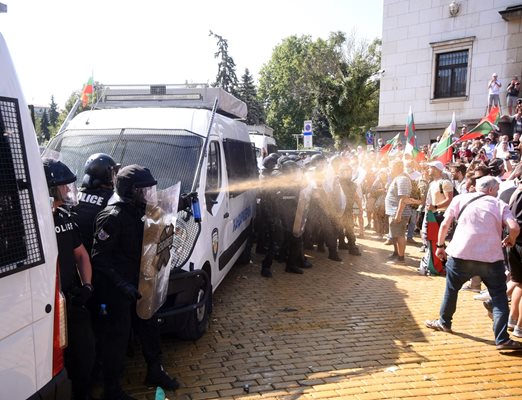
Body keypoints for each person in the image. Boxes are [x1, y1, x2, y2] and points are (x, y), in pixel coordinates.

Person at [91, 165, 179, 400]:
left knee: (149, 329)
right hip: (118, 289)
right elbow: (99, 258)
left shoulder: (144, 211)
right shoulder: (113, 216)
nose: (149, 195)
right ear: (129, 190)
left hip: (141, 283)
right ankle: (112, 390)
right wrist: (121, 285)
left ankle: (154, 371)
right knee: (117, 338)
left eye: (151, 190)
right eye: (144, 191)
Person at [425, 176, 522, 351]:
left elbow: (445, 224)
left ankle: (444, 322)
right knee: (499, 298)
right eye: (497, 189)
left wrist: (440, 246)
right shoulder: (499, 204)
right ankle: (502, 339)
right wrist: (511, 239)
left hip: (461, 254)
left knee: (451, 289)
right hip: (490, 257)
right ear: (492, 190)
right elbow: (514, 227)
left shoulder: (460, 198)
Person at [42, 158, 95, 400]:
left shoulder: (65, 217)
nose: (68, 190)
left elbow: (81, 254)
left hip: (72, 299)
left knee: (85, 355)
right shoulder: (37, 224)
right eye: (64, 186)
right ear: (51, 188)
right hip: (49, 307)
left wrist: (87, 285)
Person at [73, 153, 120, 254]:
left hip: (74, 253)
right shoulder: (112, 198)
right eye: (113, 173)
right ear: (105, 175)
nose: (115, 177)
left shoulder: (74, 194)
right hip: (95, 255)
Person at [384, 159, 412, 263]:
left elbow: (403, 198)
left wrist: (398, 214)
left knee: (399, 235)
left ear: (397, 168)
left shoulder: (403, 179)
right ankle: (396, 253)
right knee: (395, 234)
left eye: (391, 167)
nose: (389, 170)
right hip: (394, 212)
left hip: (399, 213)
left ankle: (401, 258)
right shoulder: (398, 178)